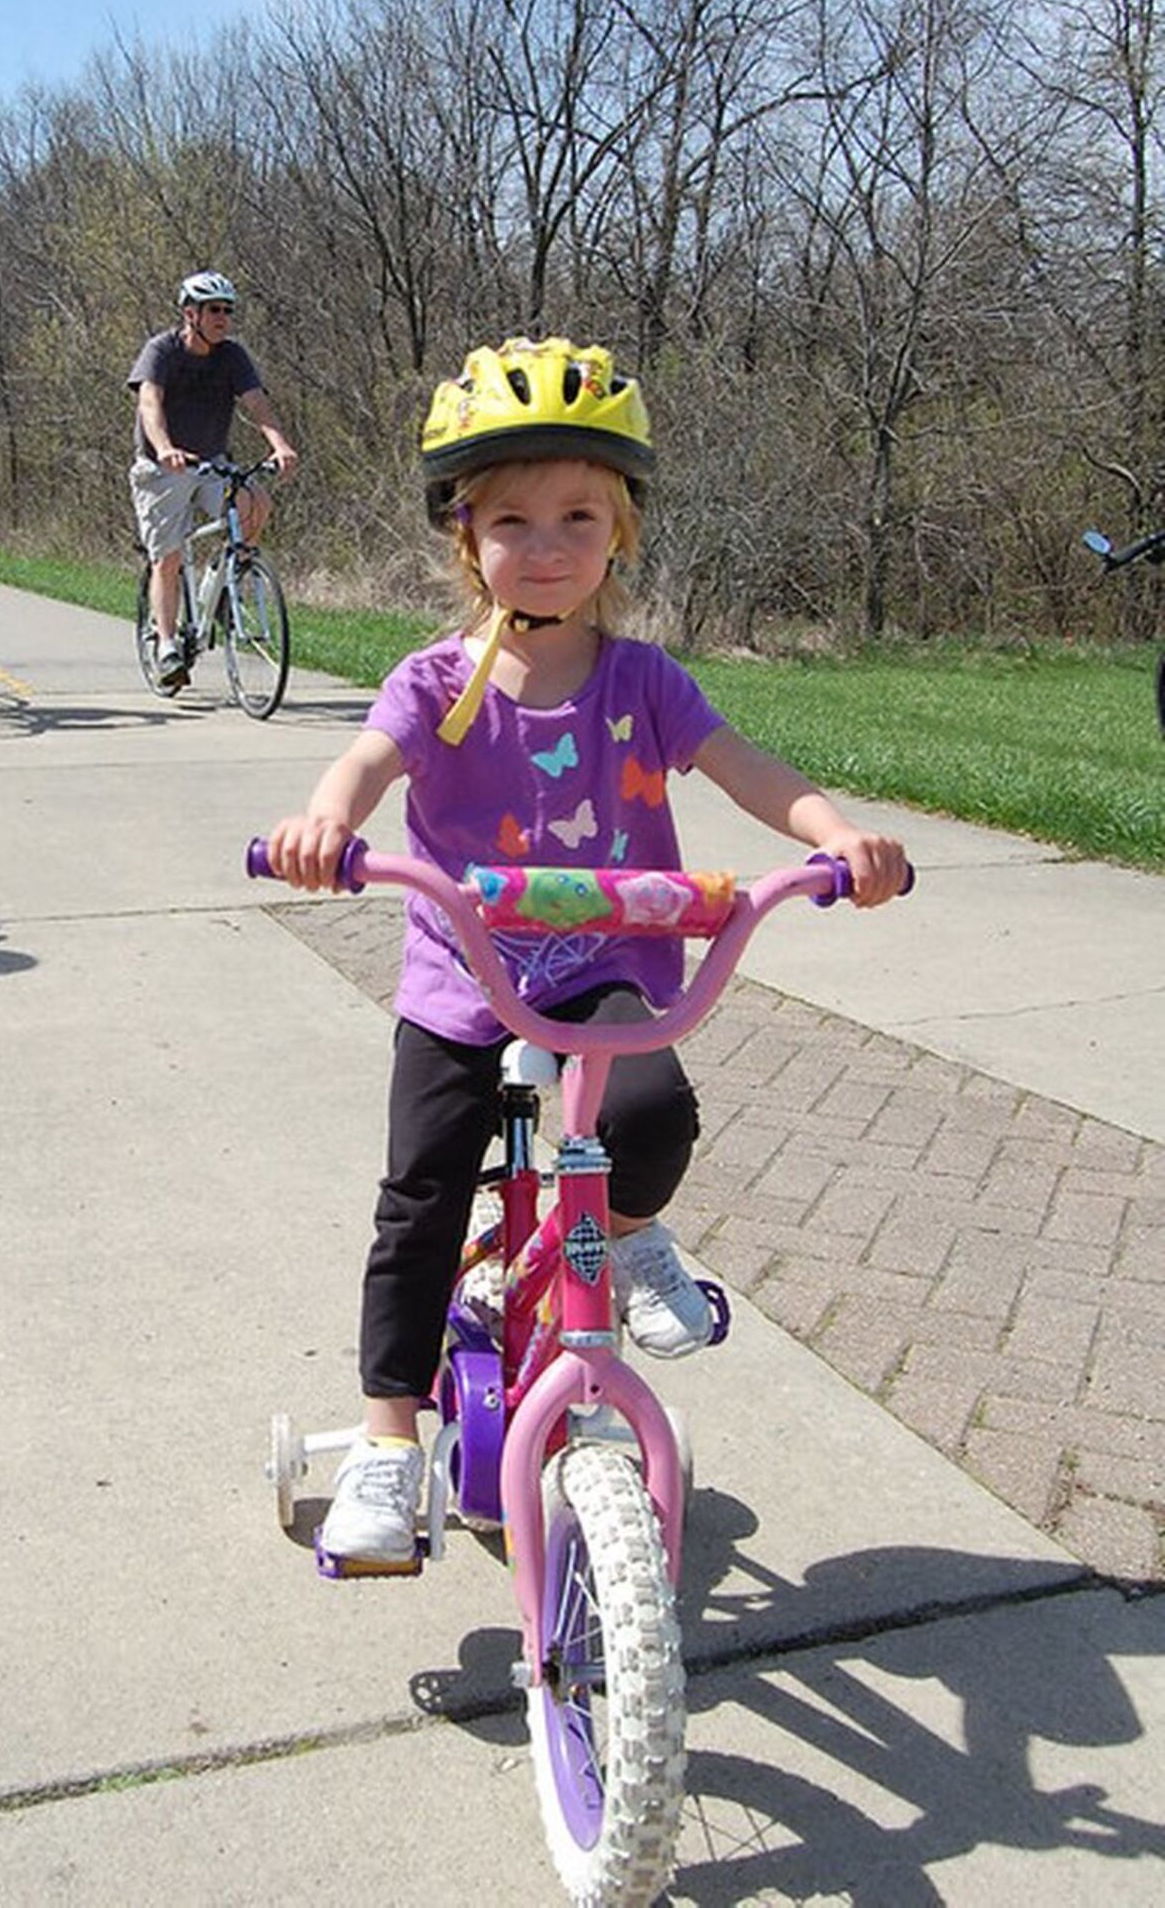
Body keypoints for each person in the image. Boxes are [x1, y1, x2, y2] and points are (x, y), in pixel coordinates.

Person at [261, 335, 910, 1570]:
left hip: (604, 960)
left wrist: (834, 833)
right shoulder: (436, 678)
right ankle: (392, 1437)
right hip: (468, 969)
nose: (545, 544)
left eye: (576, 516)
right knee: (421, 1194)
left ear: (619, 534)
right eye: (512, 519)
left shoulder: (643, 681)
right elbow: (361, 762)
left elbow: (746, 769)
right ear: (466, 537)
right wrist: (326, 820)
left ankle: (628, 1225)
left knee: (653, 1112)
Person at [128, 271, 298, 692]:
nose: (224, 318)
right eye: (214, 310)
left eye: (228, 310)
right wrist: (165, 447)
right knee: (166, 558)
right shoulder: (162, 350)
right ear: (191, 314)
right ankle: (167, 644)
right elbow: (150, 402)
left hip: (210, 463)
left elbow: (257, 403)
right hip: (162, 469)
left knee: (255, 503)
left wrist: (279, 444)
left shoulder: (232, 356)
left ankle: (224, 586)